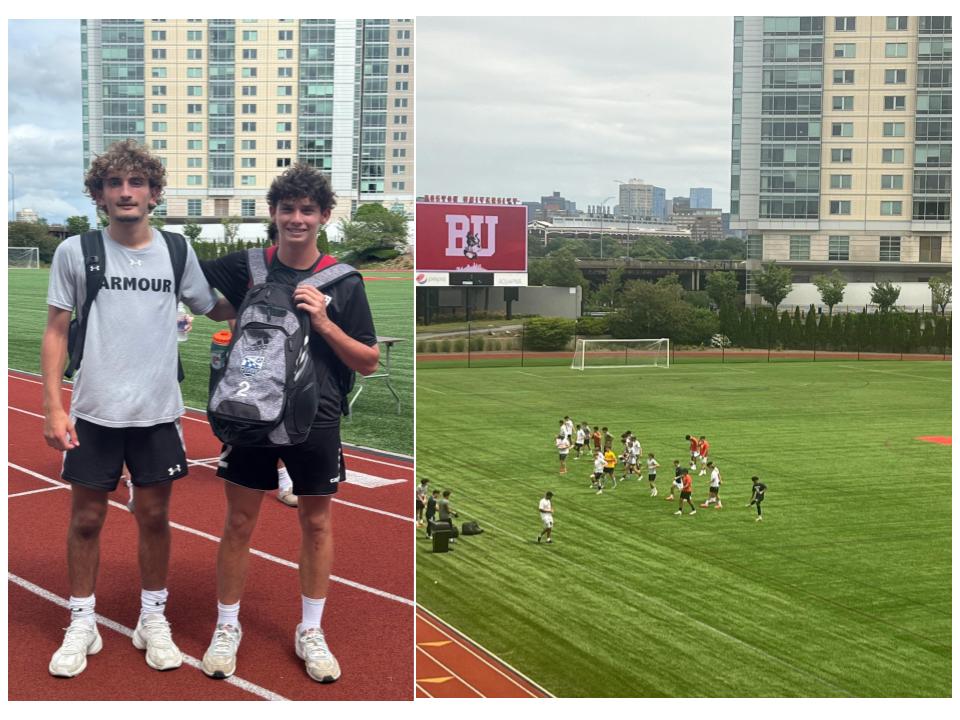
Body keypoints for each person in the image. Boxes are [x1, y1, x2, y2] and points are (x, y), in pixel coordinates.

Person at [41, 139, 233, 678]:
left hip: (157, 412)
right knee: (86, 519)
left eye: (137, 183)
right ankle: (82, 621)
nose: (126, 192)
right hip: (96, 412)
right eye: (114, 184)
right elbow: (56, 332)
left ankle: (153, 616)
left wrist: (264, 296)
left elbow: (211, 305)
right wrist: (53, 408)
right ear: (99, 194)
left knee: (154, 517)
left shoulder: (176, 249)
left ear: (153, 192)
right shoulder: (75, 251)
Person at [198, 163, 379, 684]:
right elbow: (199, 293)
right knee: (237, 523)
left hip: (315, 419)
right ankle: (227, 625)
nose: (296, 218)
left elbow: (367, 360)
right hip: (249, 414)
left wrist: (323, 320)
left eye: (307, 210)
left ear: (324, 215)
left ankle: (311, 630)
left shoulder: (343, 281)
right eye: (287, 209)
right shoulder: (247, 265)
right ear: (273, 213)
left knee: (316, 523)